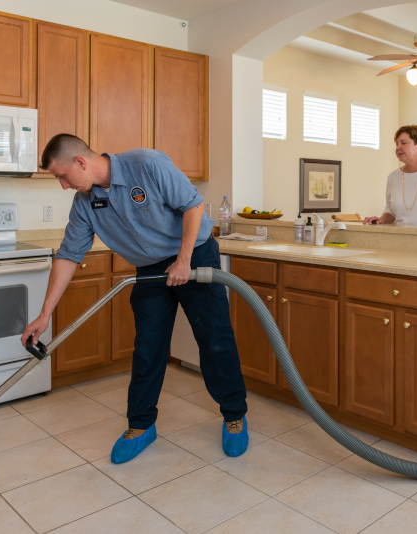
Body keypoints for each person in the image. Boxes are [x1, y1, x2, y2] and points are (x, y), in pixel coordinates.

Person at [21, 134, 248, 464]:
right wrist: (45, 315)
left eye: (62, 176)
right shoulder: (86, 204)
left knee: (214, 340)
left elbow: (193, 205)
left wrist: (183, 260)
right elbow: (69, 254)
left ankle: (234, 416)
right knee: (147, 348)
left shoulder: (147, 164)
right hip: (149, 269)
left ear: (80, 163)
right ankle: (141, 426)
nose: (63, 185)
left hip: (194, 255)